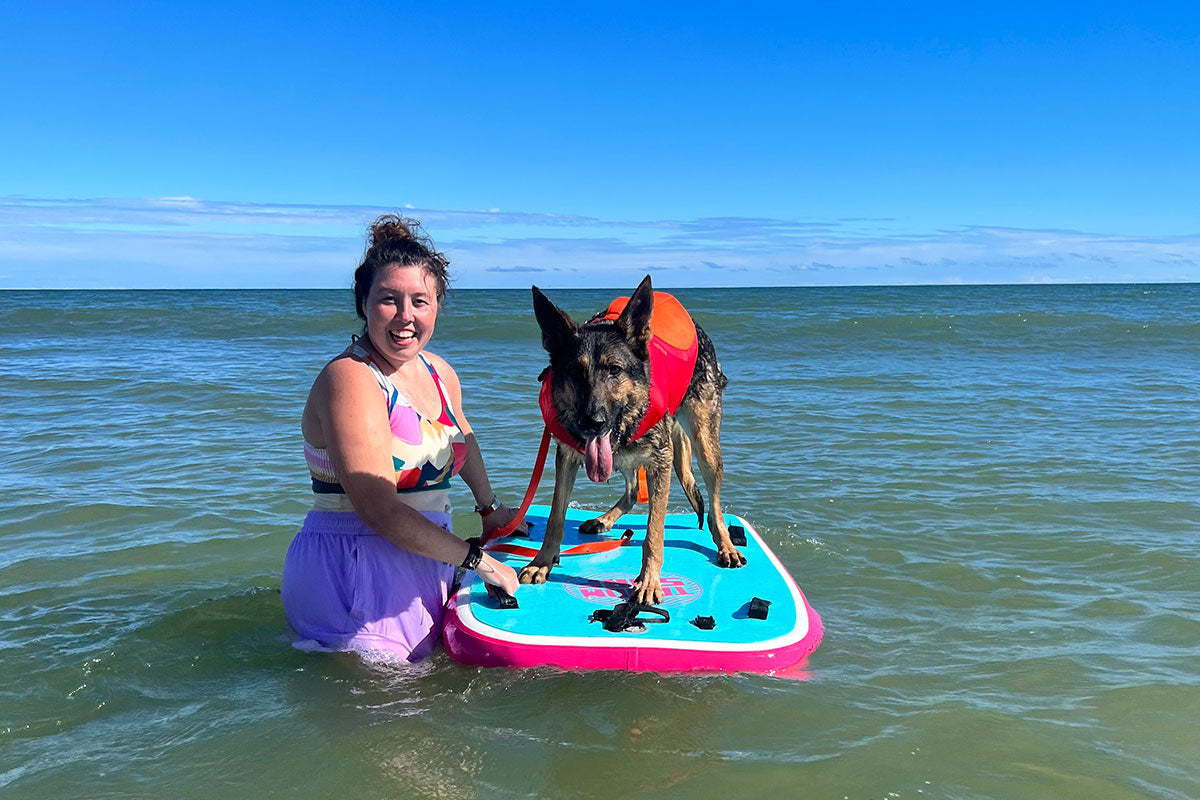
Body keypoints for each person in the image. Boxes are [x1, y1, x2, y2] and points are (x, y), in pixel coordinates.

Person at [282, 214, 522, 663]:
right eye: (389, 300)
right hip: (356, 569)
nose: (406, 316)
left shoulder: (437, 371)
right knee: (382, 724)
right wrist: (482, 563)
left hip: (427, 557)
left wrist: (490, 510)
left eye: (420, 301)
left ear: (438, 306)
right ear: (364, 303)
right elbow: (380, 510)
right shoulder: (350, 379)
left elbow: (462, 440)